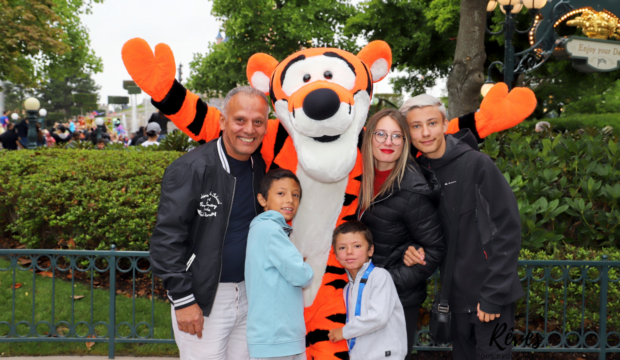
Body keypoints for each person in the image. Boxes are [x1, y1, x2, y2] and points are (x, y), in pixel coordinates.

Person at [401, 95, 524, 360]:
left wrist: (493, 295)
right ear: (408, 132)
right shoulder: (415, 174)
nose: (425, 132)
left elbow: (508, 228)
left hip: (492, 294)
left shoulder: (477, 164)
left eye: (432, 123)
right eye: (416, 126)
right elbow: (421, 229)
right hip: (453, 298)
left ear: (445, 124)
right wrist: (410, 248)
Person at [150, 86, 269, 360]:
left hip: (250, 294)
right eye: (240, 119)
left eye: (258, 122)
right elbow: (166, 239)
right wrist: (183, 299)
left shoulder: (260, 168)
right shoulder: (190, 168)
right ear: (223, 121)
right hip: (204, 297)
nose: (249, 129)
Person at [354, 108, 445, 358]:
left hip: (396, 300)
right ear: (368, 136)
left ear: (405, 143)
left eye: (397, 136)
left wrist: (383, 283)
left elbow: (434, 249)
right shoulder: (352, 177)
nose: (388, 142)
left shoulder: (412, 189)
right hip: (355, 296)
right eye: (381, 134)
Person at [245, 169, 313, 360]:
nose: (290, 200)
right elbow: (302, 275)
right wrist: (302, 264)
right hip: (277, 338)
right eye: (281, 193)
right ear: (262, 199)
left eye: (295, 194)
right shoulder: (271, 230)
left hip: (274, 337)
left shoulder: (263, 229)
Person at [328, 221, 407, 359]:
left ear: (370, 250)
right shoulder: (347, 288)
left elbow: (378, 317)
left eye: (357, 246)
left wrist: (344, 332)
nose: (349, 252)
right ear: (335, 255)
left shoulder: (379, 276)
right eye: (342, 247)